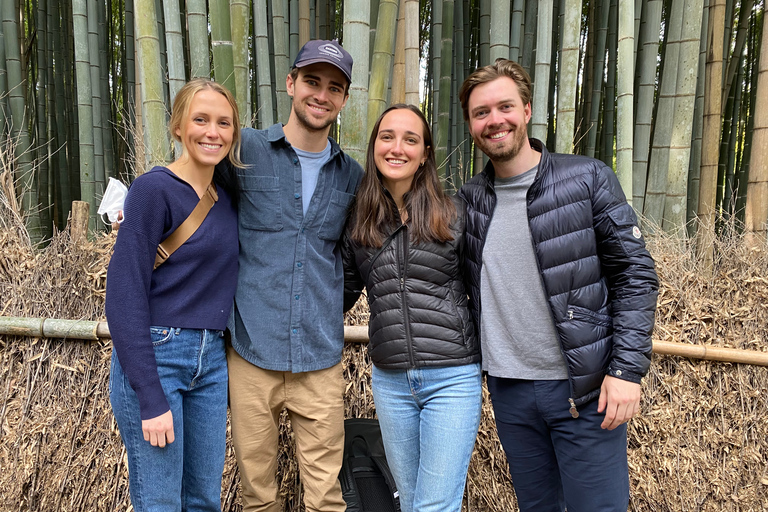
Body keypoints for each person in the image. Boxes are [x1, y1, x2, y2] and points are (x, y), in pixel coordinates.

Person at [457, 59, 659, 512]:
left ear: (527, 110)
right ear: (471, 124)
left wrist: (626, 371)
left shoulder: (586, 178)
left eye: (504, 106)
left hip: (582, 389)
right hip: (509, 390)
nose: (495, 121)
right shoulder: (468, 202)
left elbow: (636, 276)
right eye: (481, 112)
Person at [226, 39, 363, 512]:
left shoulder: (353, 176)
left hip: (319, 357)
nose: (321, 95)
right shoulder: (244, 149)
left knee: (325, 496)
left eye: (334, 87)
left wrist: (326, 305)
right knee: (256, 494)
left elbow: (355, 256)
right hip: (250, 352)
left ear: (345, 99)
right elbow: (197, 197)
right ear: (290, 83)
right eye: (311, 81)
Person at [105, 79, 241, 511]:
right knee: (160, 500)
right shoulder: (152, 189)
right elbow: (123, 294)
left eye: (224, 123)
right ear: (178, 127)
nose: (212, 132)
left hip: (212, 361)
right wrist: (148, 393)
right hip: (158, 354)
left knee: (204, 500)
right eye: (200, 119)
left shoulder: (228, 196)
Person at [342, 104, 482, 512]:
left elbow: (486, 292)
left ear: (424, 154)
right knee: (411, 502)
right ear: (374, 148)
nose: (397, 147)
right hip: (391, 383)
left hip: (451, 378)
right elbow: (340, 294)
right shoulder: (360, 222)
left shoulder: (455, 215)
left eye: (410, 139)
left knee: (434, 506)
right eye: (387, 137)